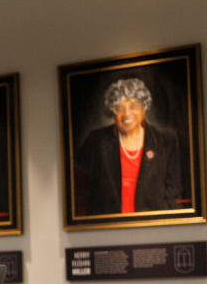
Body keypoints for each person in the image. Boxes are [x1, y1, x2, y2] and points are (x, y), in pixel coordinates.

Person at [75, 78, 182, 215]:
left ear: (144, 109)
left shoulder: (165, 141)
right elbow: (78, 184)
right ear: (113, 112)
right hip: (108, 229)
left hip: (153, 229)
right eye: (120, 108)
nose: (127, 114)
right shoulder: (96, 141)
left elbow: (174, 194)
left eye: (133, 106)